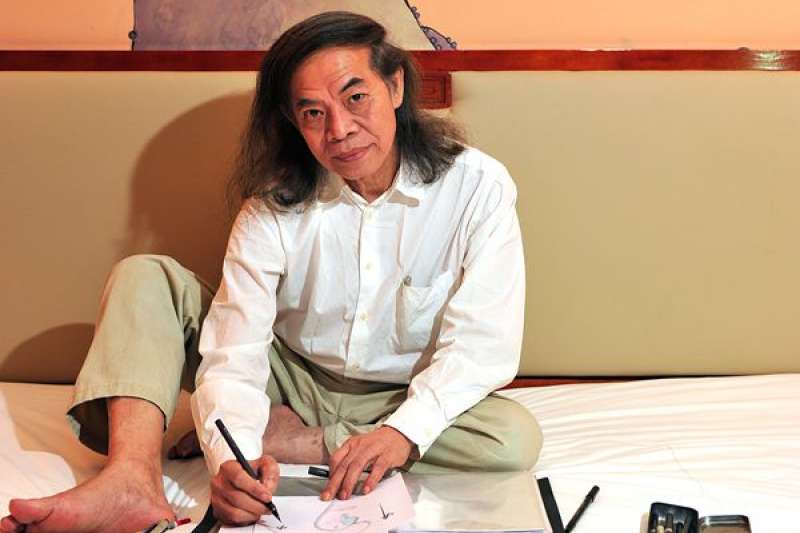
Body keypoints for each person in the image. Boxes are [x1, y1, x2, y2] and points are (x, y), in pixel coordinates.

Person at [1, 11, 542, 533]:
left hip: (398, 394)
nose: (340, 130)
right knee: (144, 276)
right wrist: (230, 460)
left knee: (512, 438)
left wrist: (398, 432)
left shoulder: (477, 187)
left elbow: (481, 345)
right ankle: (129, 479)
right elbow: (235, 351)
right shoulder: (271, 205)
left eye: (355, 98)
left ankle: (287, 438)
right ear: (293, 122)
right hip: (286, 375)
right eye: (313, 114)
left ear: (395, 87)